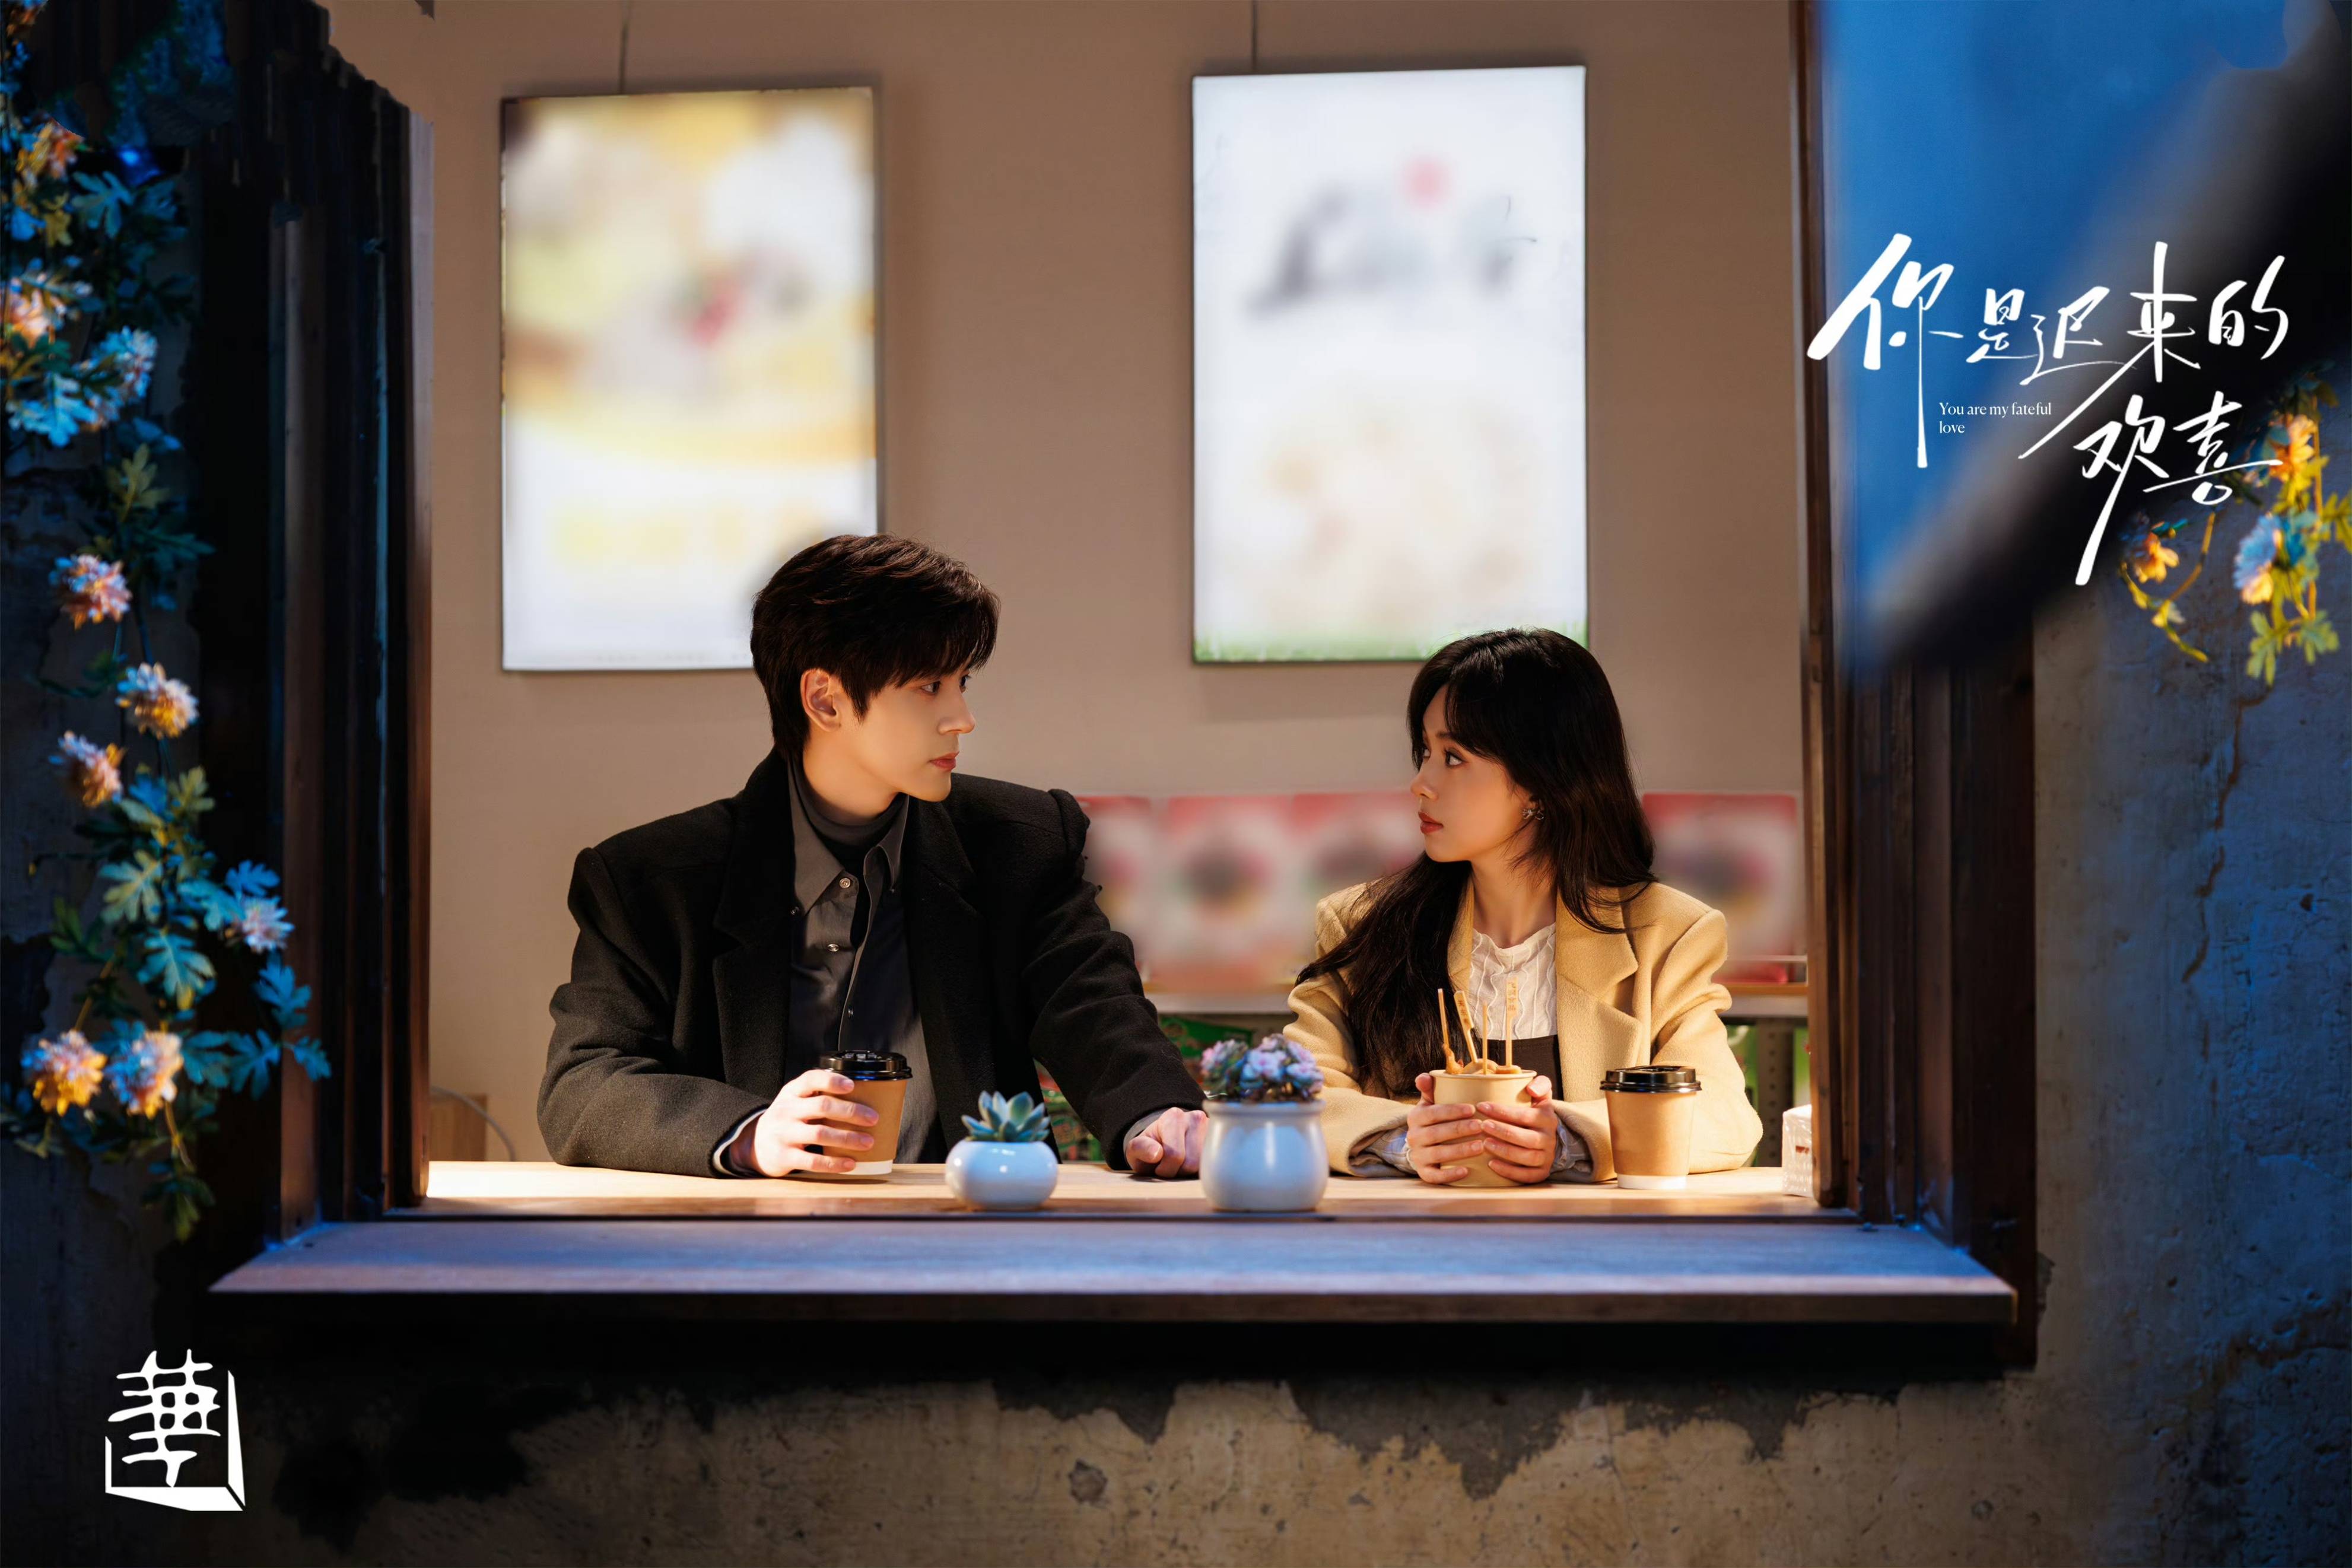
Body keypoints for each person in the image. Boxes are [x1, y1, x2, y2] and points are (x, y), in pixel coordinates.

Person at [538, 534, 1208, 1179]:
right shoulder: (651, 880)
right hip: (742, 1237)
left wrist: (1156, 1117)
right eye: (929, 686)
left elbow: (1093, 1008)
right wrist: (750, 1134)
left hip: (967, 1228)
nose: (963, 717)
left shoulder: (1022, 841)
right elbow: (585, 1078)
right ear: (825, 700)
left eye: (963, 681)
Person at [1282, 628, 1762, 1184]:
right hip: (1411, 1234)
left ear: (1541, 780)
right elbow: (1291, 1092)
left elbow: (1725, 1115)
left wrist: (1568, 1139)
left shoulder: (1668, 933)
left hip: (1596, 1241)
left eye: (1453, 757)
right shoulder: (1360, 924)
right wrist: (1403, 1139)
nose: (1420, 783)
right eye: (1425, 752)